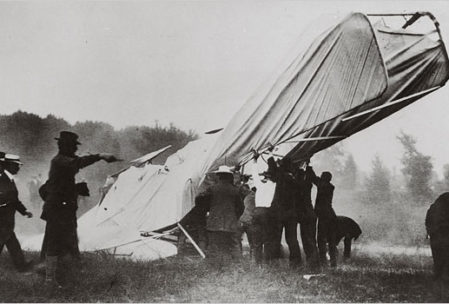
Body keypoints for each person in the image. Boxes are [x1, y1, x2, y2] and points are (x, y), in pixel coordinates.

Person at [40, 131, 118, 287]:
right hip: (58, 210)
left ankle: (66, 274)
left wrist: (75, 189)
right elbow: (76, 163)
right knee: (55, 242)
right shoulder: (60, 161)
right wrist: (100, 156)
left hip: (63, 209)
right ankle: (50, 279)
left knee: (69, 241)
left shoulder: (62, 160)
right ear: (66, 146)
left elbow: (75, 163)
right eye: (73, 147)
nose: (75, 150)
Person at [194, 165, 244, 263]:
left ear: (219, 175)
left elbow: (199, 199)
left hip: (214, 222)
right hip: (231, 223)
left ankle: (214, 267)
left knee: (214, 246)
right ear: (229, 176)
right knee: (234, 245)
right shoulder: (235, 190)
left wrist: (207, 210)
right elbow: (241, 207)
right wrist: (234, 216)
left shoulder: (212, 189)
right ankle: (237, 267)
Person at [0, 152, 34, 272]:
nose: (19, 168)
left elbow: (14, 200)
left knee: (13, 244)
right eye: (16, 165)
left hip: (7, 220)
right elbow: (6, 199)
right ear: (9, 165)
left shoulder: (9, 179)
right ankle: (22, 267)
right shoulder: (2, 178)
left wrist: (24, 211)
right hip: (2, 219)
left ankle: (22, 267)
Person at [269, 157, 302, 267]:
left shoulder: (280, 176)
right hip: (291, 214)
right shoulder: (294, 180)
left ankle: (274, 262)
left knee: (275, 238)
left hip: (278, 213)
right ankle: (296, 263)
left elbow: (273, 170)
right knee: (292, 239)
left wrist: (271, 157)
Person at [310, 167, 338, 267]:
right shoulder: (330, 186)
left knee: (321, 239)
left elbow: (314, 178)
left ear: (324, 178)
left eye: (321, 176)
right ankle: (333, 262)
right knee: (331, 240)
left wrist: (309, 167)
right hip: (331, 215)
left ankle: (323, 262)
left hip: (324, 216)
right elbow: (316, 179)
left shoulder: (323, 185)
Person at [295, 163, 320, 269]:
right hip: (310, 214)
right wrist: (308, 167)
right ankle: (313, 263)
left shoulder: (298, 185)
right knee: (311, 240)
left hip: (305, 215)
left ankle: (313, 264)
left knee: (307, 240)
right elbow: (312, 178)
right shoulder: (308, 184)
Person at [425, 192, 449, 299]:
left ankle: (438, 295)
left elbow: (430, 218)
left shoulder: (441, 199)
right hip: (443, 238)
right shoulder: (444, 200)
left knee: (439, 266)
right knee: (444, 268)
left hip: (436, 238)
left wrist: (431, 233)